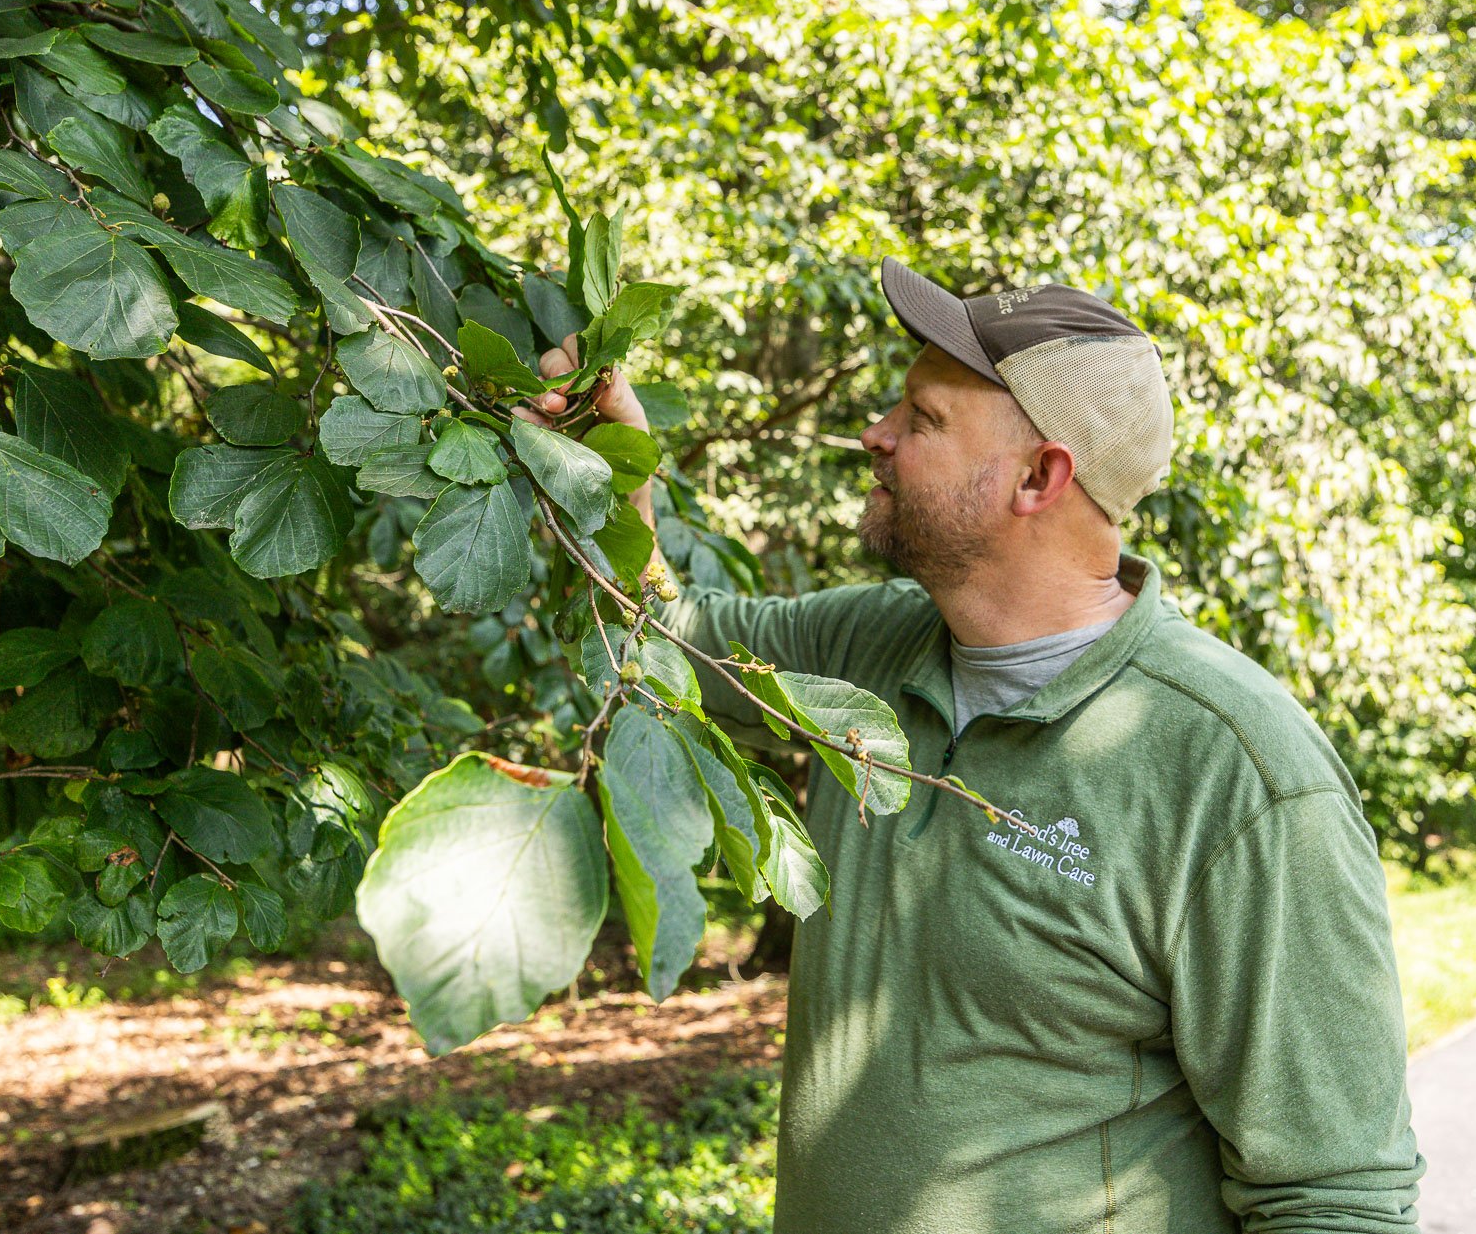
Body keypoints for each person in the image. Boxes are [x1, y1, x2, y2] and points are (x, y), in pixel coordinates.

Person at [526, 258, 1425, 1233]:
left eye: (922, 419)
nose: (874, 436)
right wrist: (606, 473)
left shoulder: (1235, 772)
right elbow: (653, 645)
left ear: (1041, 478)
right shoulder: (863, 652)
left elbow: (1338, 1197)